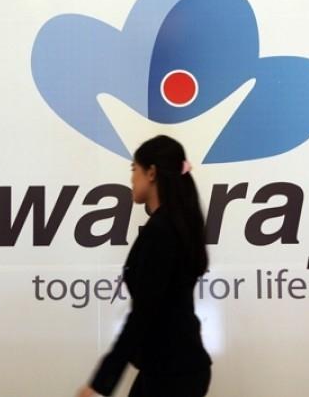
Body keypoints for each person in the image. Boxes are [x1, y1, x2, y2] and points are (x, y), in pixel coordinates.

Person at [76, 134, 213, 397]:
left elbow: (143, 314)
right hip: (170, 367)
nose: (131, 179)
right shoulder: (172, 225)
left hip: (173, 372)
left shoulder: (162, 231)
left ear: (151, 173)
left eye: (134, 169)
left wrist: (100, 383)